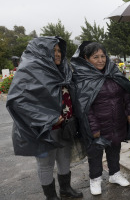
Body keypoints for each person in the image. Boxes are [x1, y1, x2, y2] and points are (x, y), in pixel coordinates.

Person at [6, 36, 83, 200]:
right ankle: (51, 196)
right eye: (53, 51)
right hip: (44, 130)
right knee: (46, 164)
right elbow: (17, 102)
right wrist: (49, 119)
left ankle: (65, 189)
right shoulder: (29, 72)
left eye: (58, 50)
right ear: (42, 52)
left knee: (64, 158)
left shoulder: (62, 69)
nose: (58, 54)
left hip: (66, 126)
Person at [71, 42, 130, 195]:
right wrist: (93, 128)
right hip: (98, 125)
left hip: (117, 121)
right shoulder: (83, 78)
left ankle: (114, 174)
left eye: (102, 56)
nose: (101, 60)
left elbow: (126, 93)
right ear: (86, 58)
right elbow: (84, 106)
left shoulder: (112, 72)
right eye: (96, 57)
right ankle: (95, 179)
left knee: (114, 148)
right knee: (95, 154)